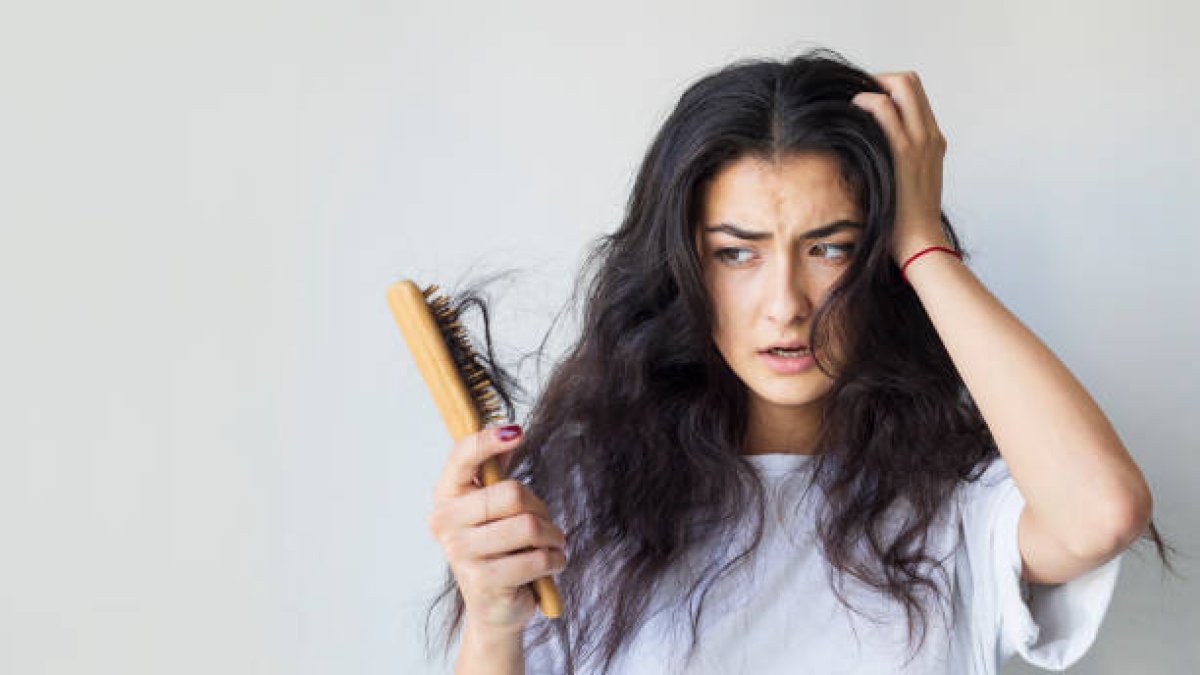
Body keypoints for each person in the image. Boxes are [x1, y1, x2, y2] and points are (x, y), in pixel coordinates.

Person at [423, 48, 1174, 674]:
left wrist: (920, 239)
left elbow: (1103, 510)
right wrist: (492, 623)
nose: (786, 303)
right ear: (684, 266)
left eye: (829, 247)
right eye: (737, 252)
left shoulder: (958, 502)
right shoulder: (574, 500)